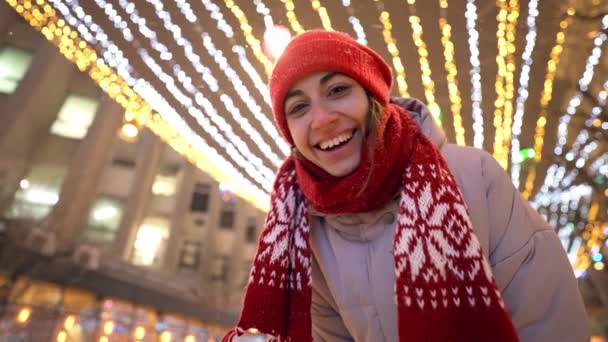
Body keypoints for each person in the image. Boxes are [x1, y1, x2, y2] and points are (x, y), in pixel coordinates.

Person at [223, 30, 589, 342]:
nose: (321, 119)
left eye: (337, 90)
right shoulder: (304, 226)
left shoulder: (473, 176)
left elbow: (548, 320)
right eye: (298, 108)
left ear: (372, 97)